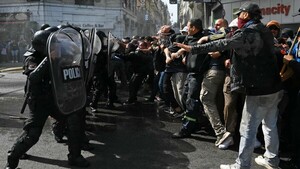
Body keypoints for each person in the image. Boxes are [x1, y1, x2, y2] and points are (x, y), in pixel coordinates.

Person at [175, 2, 283, 169]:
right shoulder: (264, 30)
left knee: (247, 128)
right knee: (269, 125)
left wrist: (193, 48)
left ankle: (242, 164)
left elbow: (223, 44)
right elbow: (227, 36)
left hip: (258, 88)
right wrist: (209, 37)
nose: (238, 18)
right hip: (274, 86)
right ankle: (271, 160)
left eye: (239, 14)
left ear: (246, 15)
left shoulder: (247, 32)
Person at [5, 29, 90, 169]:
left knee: (74, 122)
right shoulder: (32, 58)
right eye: (53, 45)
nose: (57, 47)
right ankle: (12, 159)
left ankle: (75, 156)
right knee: (32, 134)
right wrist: (48, 58)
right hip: (39, 101)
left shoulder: (61, 55)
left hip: (57, 99)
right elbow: (33, 77)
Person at [171, 18, 213, 139]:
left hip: (198, 74)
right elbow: (185, 47)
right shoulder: (189, 38)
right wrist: (181, 53)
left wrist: (185, 48)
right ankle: (196, 122)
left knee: (192, 101)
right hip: (190, 74)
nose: (186, 29)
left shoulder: (205, 37)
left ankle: (187, 128)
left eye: (188, 26)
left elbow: (195, 47)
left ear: (194, 28)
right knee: (185, 98)